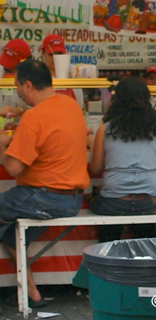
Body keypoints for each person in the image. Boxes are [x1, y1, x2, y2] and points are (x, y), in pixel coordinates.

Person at [0, 59, 89, 308]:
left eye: (17, 86)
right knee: (12, 236)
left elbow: (14, 167)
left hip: (43, 197)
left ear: (28, 85)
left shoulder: (34, 116)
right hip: (72, 199)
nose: (17, 92)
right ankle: (33, 295)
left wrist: (2, 145)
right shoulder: (71, 106)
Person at [87, 77, 156, 242]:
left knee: (106, 204)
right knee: (143, 212)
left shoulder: (105, 128)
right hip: (151, 202)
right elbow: (155, 162)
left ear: (117, 100)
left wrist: (90, 140)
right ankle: (146, 257)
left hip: (113, 203)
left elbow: (95, 168)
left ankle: (108, 255)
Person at [39, 34, 84, 108]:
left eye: (59, 54)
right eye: (51, 54)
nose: (55, 58)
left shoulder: (72, 77)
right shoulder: (37, 77)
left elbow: (79, 108)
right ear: (43, 53)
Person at [0, 39, 31, 117]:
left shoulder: (34, 80)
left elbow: (41, 110)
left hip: (23, 126)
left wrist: (19, 111)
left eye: (11, 64)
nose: (6, 66)